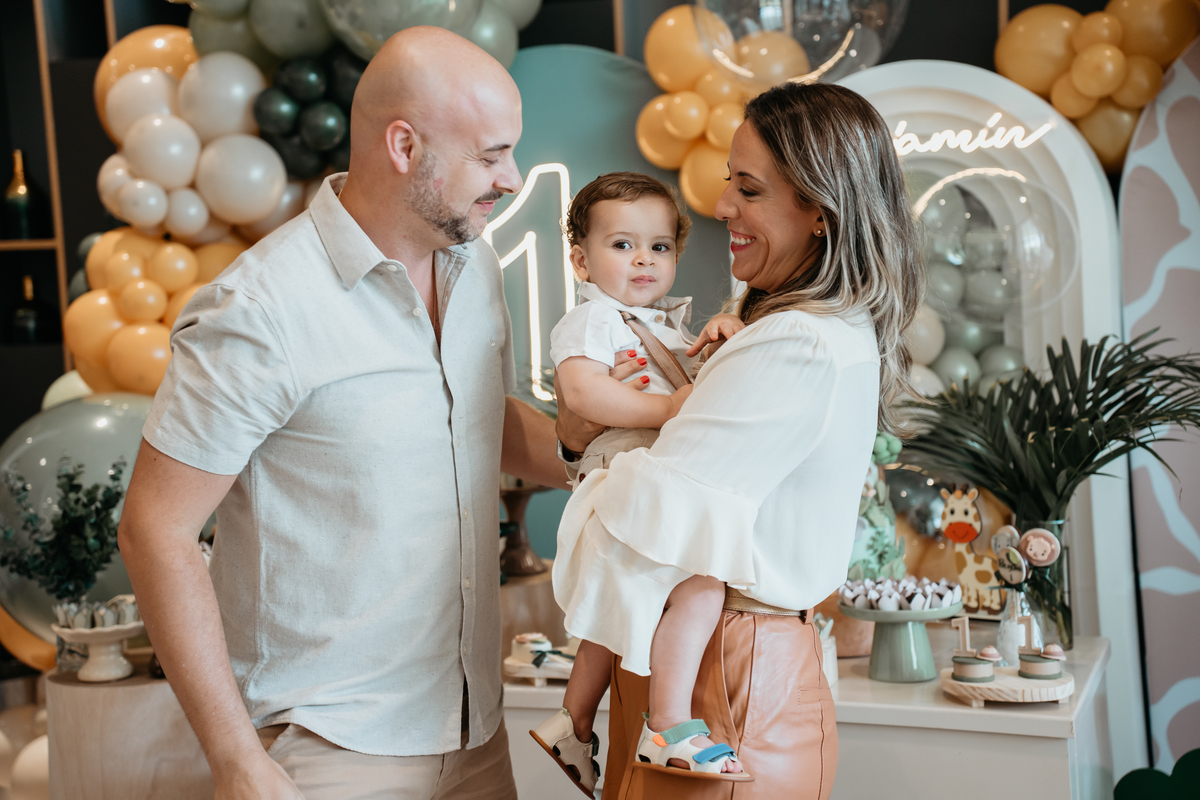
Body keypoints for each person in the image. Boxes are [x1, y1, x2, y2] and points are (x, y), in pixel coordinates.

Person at [116, 27, 637, 800]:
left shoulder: (473, 261)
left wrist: (618, 460)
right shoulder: (258, 309)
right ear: (403, 146)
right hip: (330, 748)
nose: (513, 177)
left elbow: (478, 418)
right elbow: (153, 529)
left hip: (474, 733)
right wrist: (235, 760)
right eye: (492, 155)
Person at [553, 81, 924, 799]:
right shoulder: (803, 328)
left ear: (820, 211)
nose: (721, 206)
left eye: (748, 189)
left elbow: (642, 518)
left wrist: (589, 455)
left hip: (724, 669)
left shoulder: (794, 343)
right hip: (708, 660)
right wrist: (589, 438)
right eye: (730, 182)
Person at [532, 173, 749, 793]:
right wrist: (667, 409)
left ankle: (573, 722)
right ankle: (669, 723)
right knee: (702, 584)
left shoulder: (659, 324)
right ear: (581, 261)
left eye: (659, 246)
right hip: (620, 481)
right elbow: (582, 394)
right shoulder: (592, 319)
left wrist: (718, 341)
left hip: (638, 482)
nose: (644, 260)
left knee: (620, 608)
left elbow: (683, 381)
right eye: (622, 245)